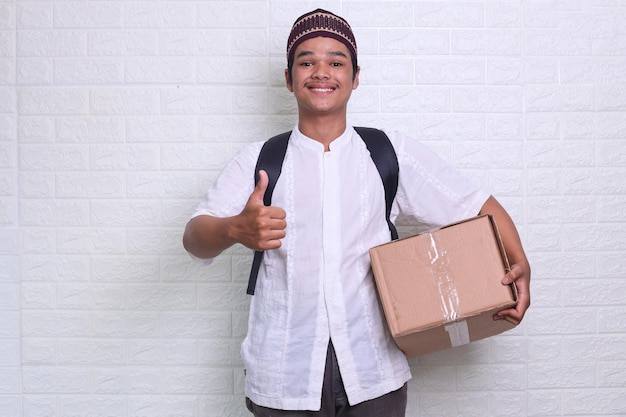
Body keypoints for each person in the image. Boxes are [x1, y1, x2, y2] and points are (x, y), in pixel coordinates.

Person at [183, 8, 531, 417]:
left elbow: (477, 205)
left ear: (356, 75)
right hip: (283, 379)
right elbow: (194, 240)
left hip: (374, 375)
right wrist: (234, 230)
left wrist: (519, 262)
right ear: (288, 78)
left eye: (336, 61)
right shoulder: (259, 160)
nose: (321, 72)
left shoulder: (388, 152)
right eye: (306, 61)